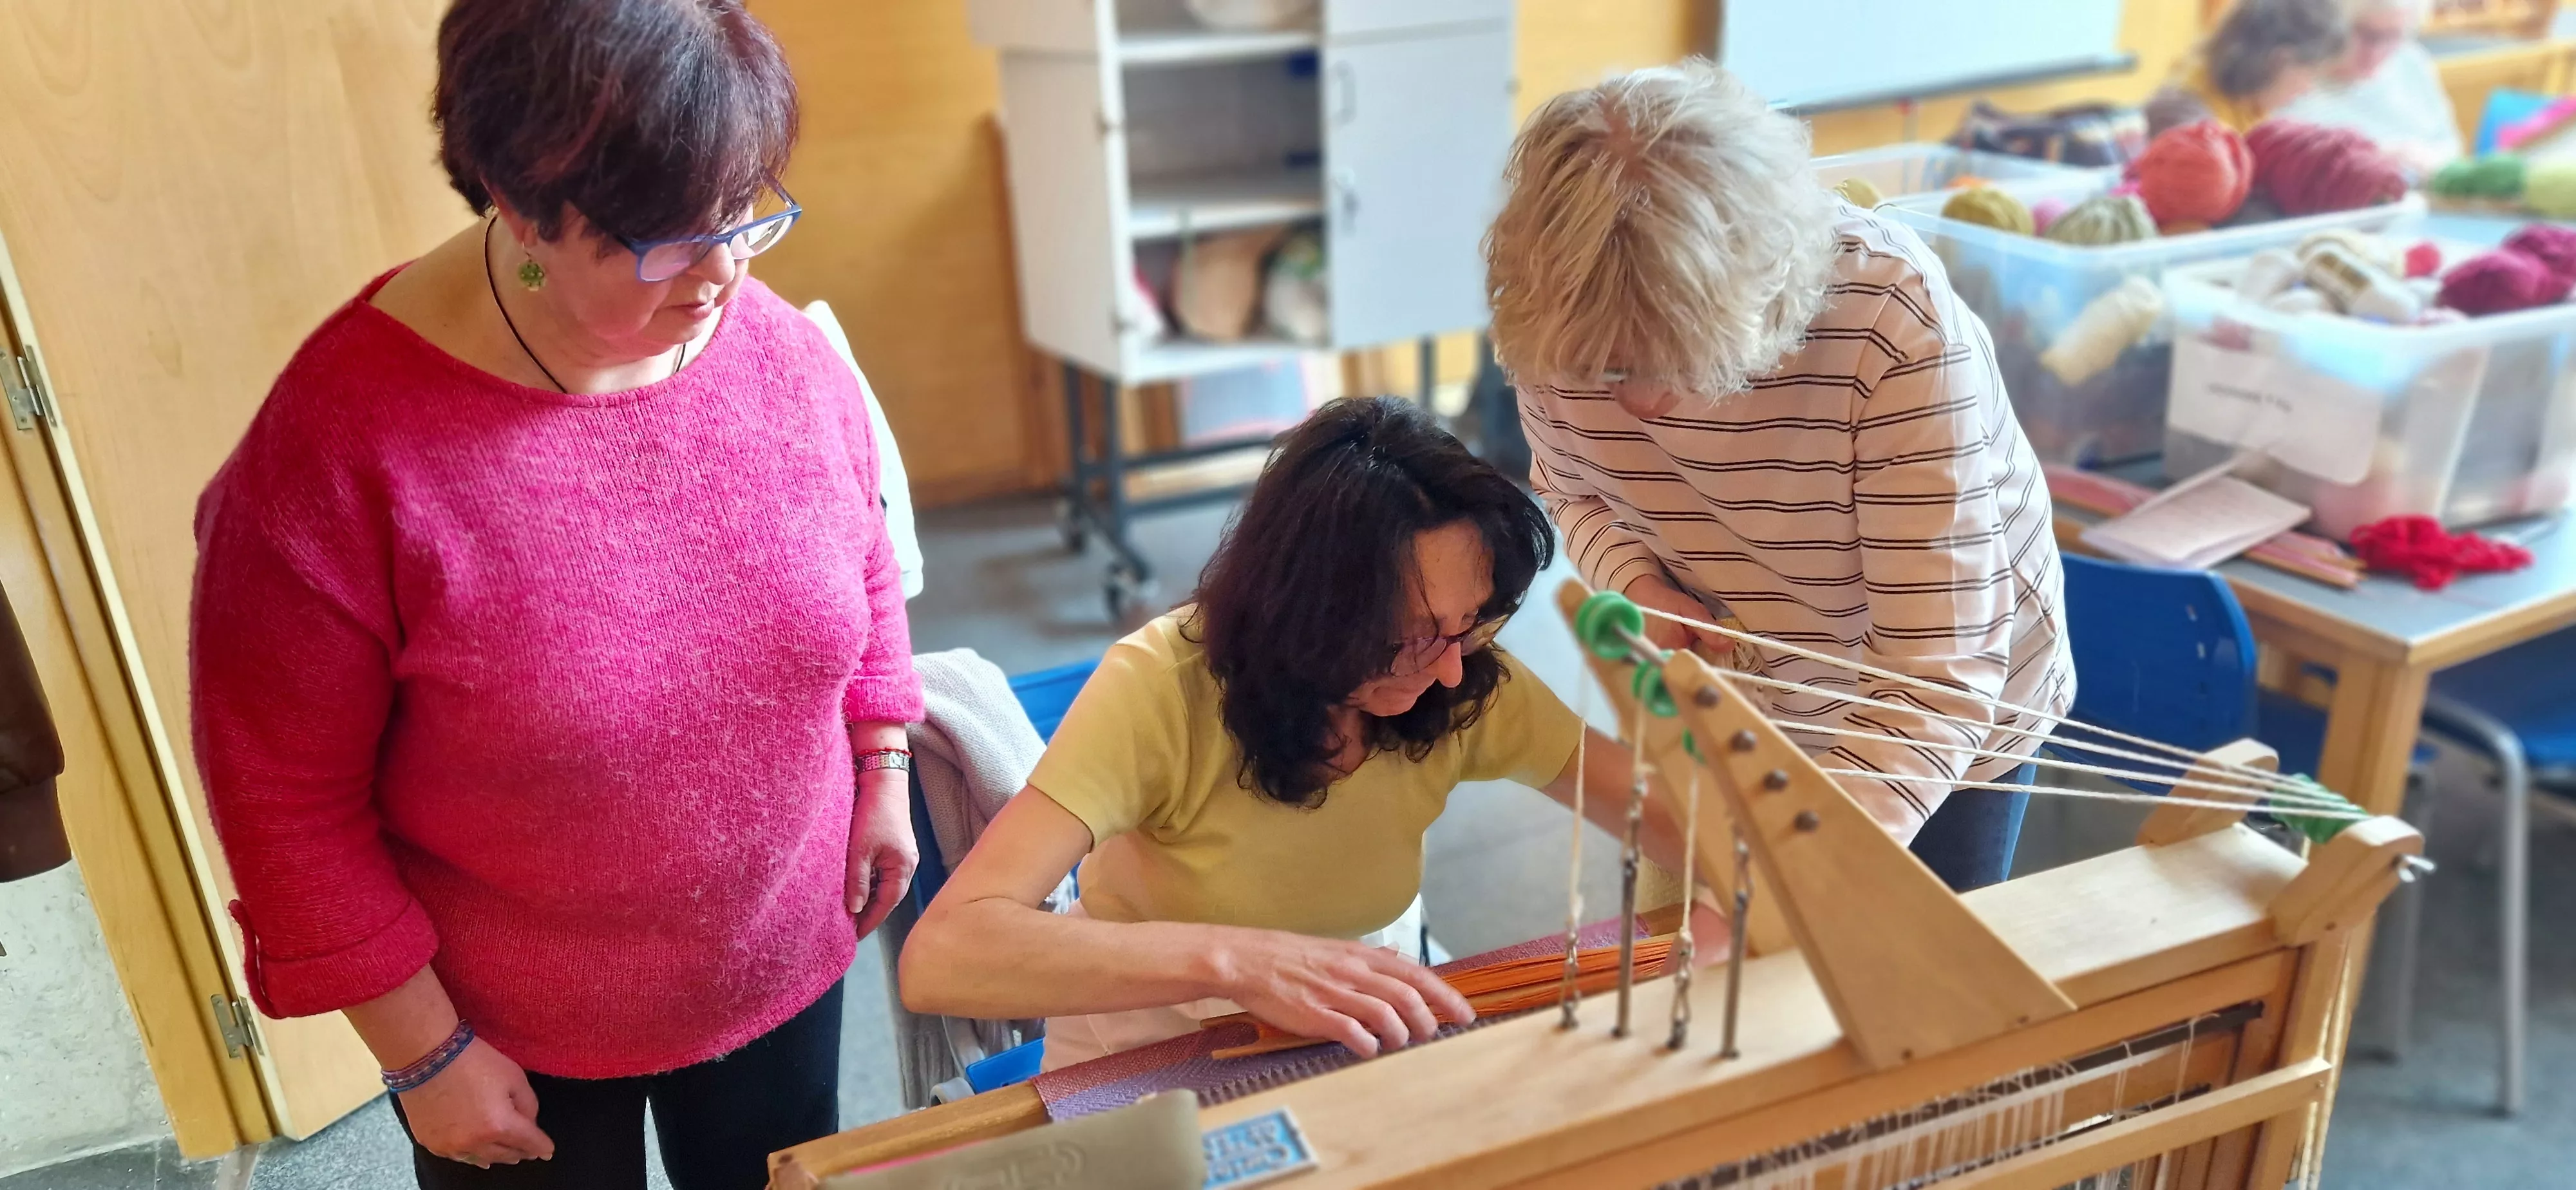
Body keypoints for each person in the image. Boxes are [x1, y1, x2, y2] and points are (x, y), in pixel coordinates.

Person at [189, 1, 920, 1185]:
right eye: (670, 238)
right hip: (507, 1032)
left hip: (780, 953)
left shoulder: (779, 354)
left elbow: (866, 556)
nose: (726, 271)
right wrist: (420, 1052)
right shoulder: (337, 449)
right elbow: (281, 800)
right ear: (523, 207)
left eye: (745, 212)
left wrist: (879, 757)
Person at [899, 397, 1709, 1070]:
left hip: (1358, 1014)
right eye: (1418, 631)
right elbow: (944, 955)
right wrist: (1240, 962)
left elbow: (1666, 818)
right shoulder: (1164, 688)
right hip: (1156, 1038)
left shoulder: (1455, 672)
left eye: (1472, 624)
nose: (1454, 669)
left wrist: (1768, 885)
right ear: (1307, 608)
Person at [1484, 62, 2076, 894]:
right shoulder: (1560, 317)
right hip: (1751, 692)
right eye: (1612, 371)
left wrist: (1799, 886)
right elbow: (1572, 488)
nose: (1645, 404)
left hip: (1945, 712)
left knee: (1909, 987)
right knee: (1702, 961)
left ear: (1759, 300)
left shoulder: (1891, 326)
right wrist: (1638, 582)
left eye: (1677, 363)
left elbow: (1937, 681)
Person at [2279, 0, 2463, 173]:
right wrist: (2372, 159)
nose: (2376, 52)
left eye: (2394, 35)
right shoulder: (2292, 80)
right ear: (2333, 25)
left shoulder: (2410, 61)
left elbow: (2451, 149)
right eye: (2366, 34)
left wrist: (2427, 160)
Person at [2145, 0, 2350, 137]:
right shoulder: (2185, 115)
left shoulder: (2251, 109)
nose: (2307, 89)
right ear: (2279, 61)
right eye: (2310, 73)